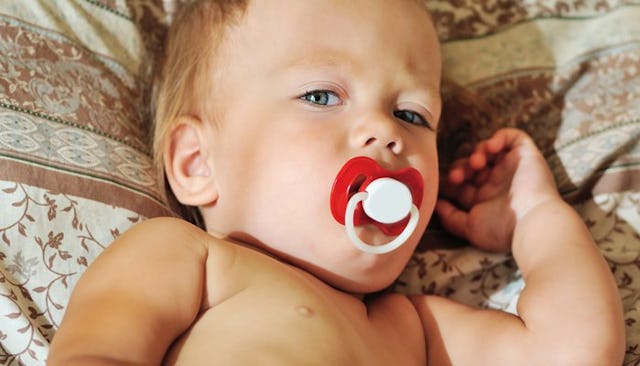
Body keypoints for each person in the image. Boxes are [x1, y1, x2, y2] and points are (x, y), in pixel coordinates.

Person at [47, 0, 625, 364]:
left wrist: (536, 217)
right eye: (321, 96)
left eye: (412, 114)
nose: (383, 131)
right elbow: (94, 353)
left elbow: (574, 352)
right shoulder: (187, 259)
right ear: (198, 163)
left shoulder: (413, 329)